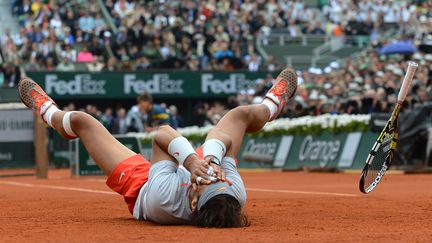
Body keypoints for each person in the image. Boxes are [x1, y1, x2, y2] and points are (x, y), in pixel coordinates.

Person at [17, 67, 297, 227]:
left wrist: (189, 163)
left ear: (194, 201)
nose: (211, 176)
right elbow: (223, 137)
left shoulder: (163, 200)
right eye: (216, 178)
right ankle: (273, 105)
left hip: (145, 185)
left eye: (204, 182)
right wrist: (210, 160)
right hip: (192, 169)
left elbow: (162, 136)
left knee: (81, 121)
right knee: (240, 115)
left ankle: (48, 112)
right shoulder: (232, 192)